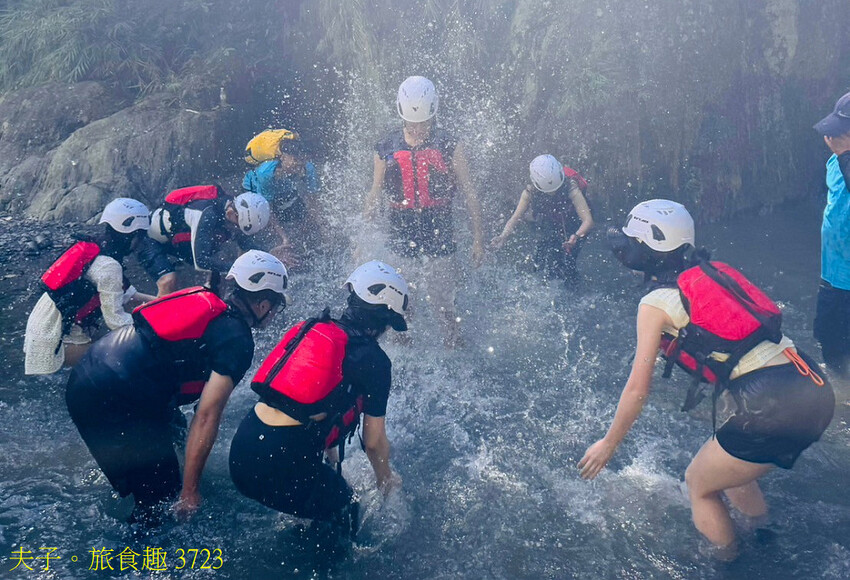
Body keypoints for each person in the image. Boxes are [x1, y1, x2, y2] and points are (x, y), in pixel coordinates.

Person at [578, 199, 834, 559]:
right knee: (731, 474)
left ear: (647, 253)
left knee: (698, 484)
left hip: (771, 402)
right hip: (810, 384)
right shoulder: (712, 271)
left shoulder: (655, 303)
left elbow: (638, 389)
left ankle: (729, 564)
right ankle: (764, 539)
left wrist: (608, 444)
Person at [65, 250, 287, 523]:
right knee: (161, 504)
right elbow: (206, 416)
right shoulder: (237, 340)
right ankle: (137, 561)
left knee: (176, 431)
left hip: (88, 374)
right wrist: (190, 491)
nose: (275, 314)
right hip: (113, 398)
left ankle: (140, 474)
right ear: (264, 305)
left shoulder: (204, 298)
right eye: (276, 306)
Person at [229, 260, 407, 539]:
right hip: (280, 462)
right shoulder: (375, 361)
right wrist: (386, 481)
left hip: (242, 451)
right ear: (384, 319)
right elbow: (374, 442)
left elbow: (308, 400)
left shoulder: (316, 328)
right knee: (347, 508)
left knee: (313, 502)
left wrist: (329, 459)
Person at [362, 75, 484, 346]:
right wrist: (361, 238)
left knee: (443, 303)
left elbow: (469, 190)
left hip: (439, 228)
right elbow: (375, 191)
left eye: (423, 123)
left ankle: (454, 349)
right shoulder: (385, 146)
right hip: (400, 228)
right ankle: (403, 357)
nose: (417, 129)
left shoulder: (449, 144)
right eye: (411, 123)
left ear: (433, 115)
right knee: (400, 301)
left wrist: (478, 238)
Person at [24, 198, 154, 375]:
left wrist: (166, 304)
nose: (141, 241)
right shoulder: (110, 266)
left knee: (108, 347)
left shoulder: (101, 250)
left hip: (44, 325)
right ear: (131, 233)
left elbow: (129, 296)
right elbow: (115, 321)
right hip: (53, 336)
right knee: (122, 360)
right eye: (140, 235)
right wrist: (153, 328)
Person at [140, 185, 271, 296]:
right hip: (147, 239)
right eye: (237, 226)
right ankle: (156, 322)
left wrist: (270, 257)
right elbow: (201, 262)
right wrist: (241, 268)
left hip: (175, 241)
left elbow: (244, 242)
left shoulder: (230, 209)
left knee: (220, 272)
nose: (235, 230)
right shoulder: (207, 215)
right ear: (232, 214)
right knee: (169, 281)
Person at [491, 154, 594, 284]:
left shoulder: (570, 187)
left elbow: (588, 220)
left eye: (555, 190)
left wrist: (576, 236)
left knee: (567, 263)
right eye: (548, 191)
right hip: (551, 220)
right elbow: (515, 217)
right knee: (540, 260)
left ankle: (574, 289)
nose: (553, 193)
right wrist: (503, 236)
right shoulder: (530, 192)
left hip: (574, 223)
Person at [813, 90, 850, 379]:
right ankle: (841, 386)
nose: (833, 139)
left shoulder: (843, 157)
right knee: (827, 336)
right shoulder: (835, 161)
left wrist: (845, 156)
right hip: (833, 272)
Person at [243, 129, 321, 265]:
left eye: (301, 161)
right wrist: (283, 237)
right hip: (260, 196)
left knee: (307, 222)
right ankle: (249, 263)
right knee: (262, 228)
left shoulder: (308, 169)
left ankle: (304, 255)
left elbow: (313, 201)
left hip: (286, 191)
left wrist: (319, 223)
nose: (298, 164)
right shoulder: (265, 174)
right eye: (295, 160)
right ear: (282, 157)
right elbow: (268, 209)